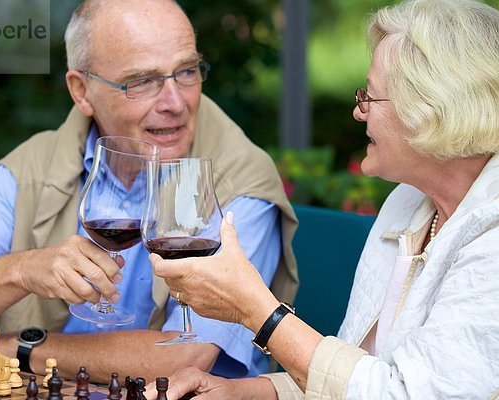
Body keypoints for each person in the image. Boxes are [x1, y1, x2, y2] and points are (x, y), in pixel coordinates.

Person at [0, 0, 299, 383]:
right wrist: (21, 271)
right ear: (81, 91)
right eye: (143, 81)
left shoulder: (238, 181)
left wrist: (14, 349)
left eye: (187, 71)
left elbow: (185, 357)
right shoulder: (34, 167)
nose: (176, 102)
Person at [145, 0, 499, 398]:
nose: (357, 112)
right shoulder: (408, 203)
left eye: (370, 97)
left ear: (433, 110)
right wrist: (244, 393)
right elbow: (354, 375)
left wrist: (258, 311)